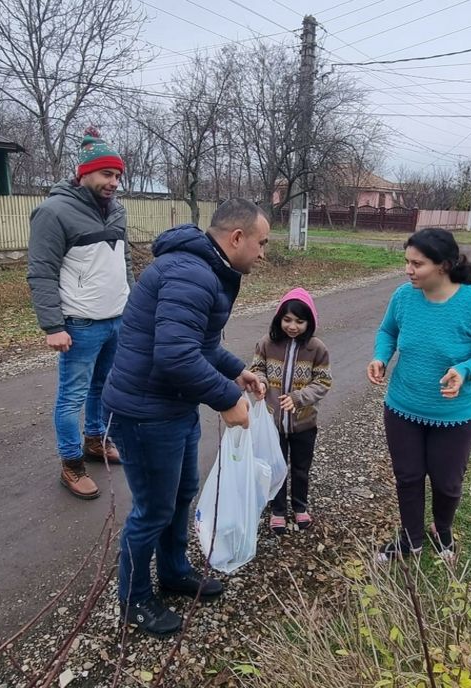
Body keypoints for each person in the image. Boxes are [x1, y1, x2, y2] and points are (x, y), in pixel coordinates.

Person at [102, 199, 270, 637]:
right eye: (262, 242)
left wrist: (236, 371)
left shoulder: (204, 269)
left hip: (170, 406)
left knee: (181, 495)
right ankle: (134, 600)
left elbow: (200, 344)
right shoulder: (192, 274)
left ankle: (174, 572)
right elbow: (175, 356)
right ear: (236, 238)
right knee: (153, 509)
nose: (263, 253)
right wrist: (226, 398)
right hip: (145, 412)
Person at [367, 227, 471, 563]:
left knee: (447, 483)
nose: (408, 270)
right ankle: (411, 539)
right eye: (407, 262)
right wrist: (380, 356)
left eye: (417, 264)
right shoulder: (403, 297)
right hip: (402, 407)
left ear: (443, 266)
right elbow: (388, 331)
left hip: (455, 415)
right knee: (408, 477)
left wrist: (465, 370)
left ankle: (442, 529)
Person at [27, 127, 134, 500]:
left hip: (116, 319)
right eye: (107, 174)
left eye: (118, 175)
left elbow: (125, 260)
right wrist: (52, 325)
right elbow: (41, 271)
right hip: (80, 323)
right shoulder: (53, 212)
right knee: (71, 397)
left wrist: (130, 303)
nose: (114, 182)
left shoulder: (117, 210)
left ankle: (95, 441)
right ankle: (71, 465)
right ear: (83, 173)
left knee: (103, 388)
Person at [249, 288, 332, 536]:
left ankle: (299, 506)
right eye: (287, 320)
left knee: (300, 467)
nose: (292, 326)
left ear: (310, 322)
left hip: (304, 423)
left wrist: (299, 398)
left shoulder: (317, 349)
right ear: (279, 319)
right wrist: (260, 382)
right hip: (272, 422)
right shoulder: (267, 343)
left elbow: (323, 382)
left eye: (299, 321)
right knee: (276, 466)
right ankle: (277, 510)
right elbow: (257, 367)